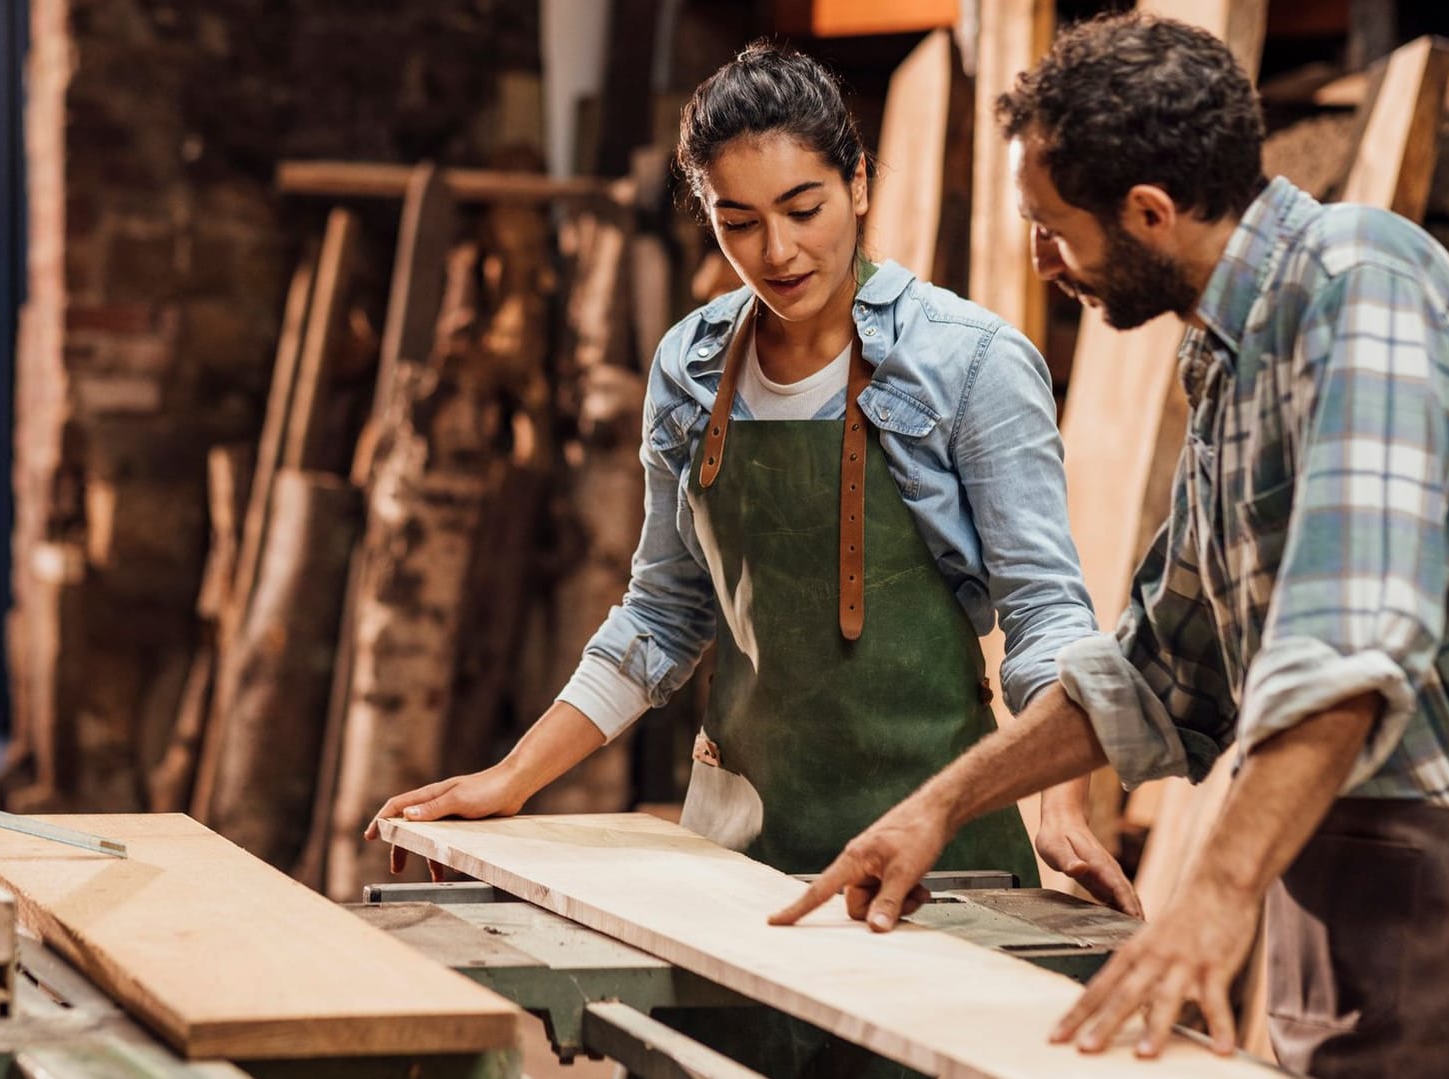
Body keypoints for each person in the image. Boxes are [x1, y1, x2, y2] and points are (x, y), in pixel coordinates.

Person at [769, 14, 1449, 1078]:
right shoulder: (1230, 356)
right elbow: (1157, 670)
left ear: (1149, 213)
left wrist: (1214, 893)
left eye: (1053, 227)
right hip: (1342, 892)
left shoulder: (1360, 286)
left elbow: (1346, 650)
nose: (1042, 258)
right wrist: (940, 803)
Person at [371, 39, 1135, 1075]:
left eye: (803, 208)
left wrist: (1061, 799)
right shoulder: (689, 368)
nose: (776, 252)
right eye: (739, 222)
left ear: (860, 181)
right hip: (735, 871)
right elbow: (659, 615)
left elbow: (1047, 610)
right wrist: (513, 778)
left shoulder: (971, 361)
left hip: (935, 862)